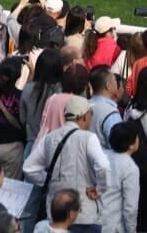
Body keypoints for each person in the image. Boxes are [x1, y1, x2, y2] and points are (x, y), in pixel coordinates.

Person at [23, 96, 111, 230]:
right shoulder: (88, 138)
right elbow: (103, 165)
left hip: (56, 213)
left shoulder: (49, 138)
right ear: (85, 116)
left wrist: (50, 181)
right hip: (84, 213)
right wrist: (100, 189)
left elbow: (29, 168)